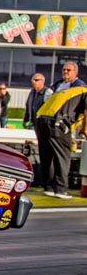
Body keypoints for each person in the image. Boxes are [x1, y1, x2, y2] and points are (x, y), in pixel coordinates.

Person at [35, 63, 87, 199]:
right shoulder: (59, 86)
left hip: (43, 120)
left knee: (48, 155)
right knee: (61, 156)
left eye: (68, 70)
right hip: (56, 123)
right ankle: (60, 188)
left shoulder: (78, 87)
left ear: (76, 72)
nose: (65, 72)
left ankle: (50, 186)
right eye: (64, 70)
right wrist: (85, 128)